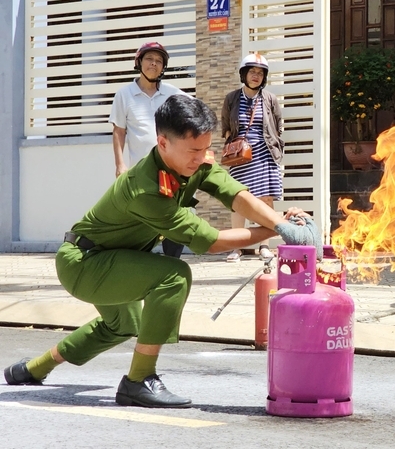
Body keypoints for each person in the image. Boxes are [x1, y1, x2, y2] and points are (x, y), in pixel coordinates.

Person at [3, 95, 313, 407]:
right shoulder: (145, 188)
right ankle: (138, 381)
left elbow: (234, 193)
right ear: (163, 143)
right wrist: (277, 230)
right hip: (84, 263)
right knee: (173, 276)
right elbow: (211, 242)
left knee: (122, 326)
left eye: (206, 148)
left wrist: (278, 221)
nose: (202, 157)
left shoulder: (193, 162)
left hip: (115, 258)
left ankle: (32, 369)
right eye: (193, 151)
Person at [109, 41, 188, 258]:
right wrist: (120, 165)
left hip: (171, 169)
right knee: (141, 217)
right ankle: (139, 262)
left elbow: (194, 112)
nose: (154, 64)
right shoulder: (124, 95)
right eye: (149, 59)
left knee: (174, 215)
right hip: (141, 171)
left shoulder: (172, 93)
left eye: (159, 61)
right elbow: (119, 131)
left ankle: (173, 261)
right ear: (139, 62)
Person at [221, 53, 285, 263]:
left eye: (260, 72)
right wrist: (234, 147)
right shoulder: (231, 98)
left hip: (265, 154)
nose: (256, 76)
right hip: (241, 157)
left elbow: (278, 126)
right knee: (238, 200)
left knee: (265, 200)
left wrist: (277, 146)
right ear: (244, 74)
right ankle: (236, 247)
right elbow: (226, 127)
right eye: (252, 72)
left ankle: (264, 246)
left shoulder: (270, 99)